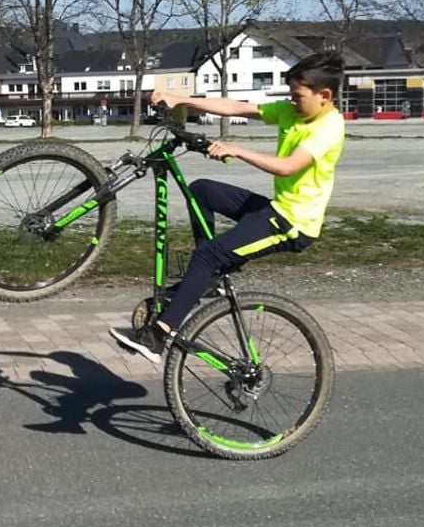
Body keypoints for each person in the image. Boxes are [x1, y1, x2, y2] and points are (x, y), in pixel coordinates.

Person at [109, 50, 346, 362]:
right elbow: (234, 106)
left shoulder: (328, 127)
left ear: (324, 95)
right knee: (201, 191)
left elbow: (288, 166)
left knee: (207, 256)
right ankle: (207, 279)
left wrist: (237, 149)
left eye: (297, 95)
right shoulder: (294, 112)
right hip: (276, 208)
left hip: (292, 224)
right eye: (290, 94)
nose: (291, 101)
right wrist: (181, 99)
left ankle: (158, 336)